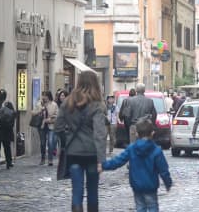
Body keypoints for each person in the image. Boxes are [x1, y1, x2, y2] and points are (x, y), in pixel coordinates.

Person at [55, 71, 107, 212]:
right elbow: (100, 134)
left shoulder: (67, 102)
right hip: (92, 153)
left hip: (74, 153)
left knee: (76, 192)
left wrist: (66, 141)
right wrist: (102, 160)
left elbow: (58, 126)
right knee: (92, 192)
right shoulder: (97, 105)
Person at [102, 119, 172, 212]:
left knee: (140, 207)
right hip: (151, 186)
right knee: (153, 207)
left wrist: (103, 165)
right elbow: (164, 170)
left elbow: (118, 161)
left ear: (137, 134)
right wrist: (168, 184)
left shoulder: (132, 148)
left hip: (137, 185)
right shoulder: (156, 150)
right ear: (152, 133)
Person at [32, 91, 59, 166]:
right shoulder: (39, 104)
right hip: (41, 126)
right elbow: (33, 113)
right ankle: (43, 158)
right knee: (43, 143)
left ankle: (50, 159)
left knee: (50, 142)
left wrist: (48, 120)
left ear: (49, 96)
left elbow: (57, 115)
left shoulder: (54, 104)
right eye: (43, 95)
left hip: (51, 126)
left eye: (45, 95)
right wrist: (39, 110)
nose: (44, 97)